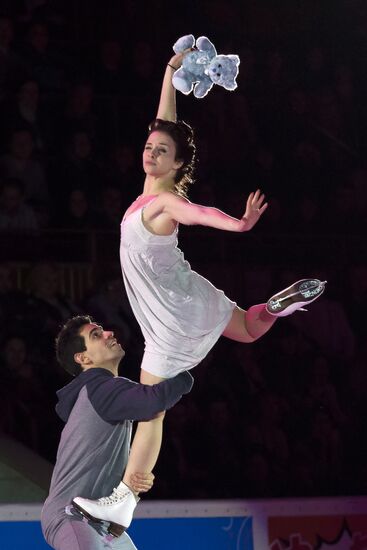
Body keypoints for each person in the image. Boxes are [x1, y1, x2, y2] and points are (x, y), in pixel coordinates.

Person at [73, 48, 326, 531]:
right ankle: (276, 305)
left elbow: (202, 214)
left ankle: (124, 498)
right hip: (195, 295)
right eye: (149, 147)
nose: (149, 152)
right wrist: (170, 72)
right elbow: (163, 121)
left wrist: (240, 225)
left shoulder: (165, 201)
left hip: (174, 319)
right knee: (250, 330)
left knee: (151, 412)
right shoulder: (154, 188)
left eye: (159, 152)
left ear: (174, 164)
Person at [40, 315, 193, 549]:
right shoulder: (98, 388)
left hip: (100, 521)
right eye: (96, 335)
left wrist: (135, 476)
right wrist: (184, 376)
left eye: (102, 330)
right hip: (71, 515)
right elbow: (155, 400)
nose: (109, 333)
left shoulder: (104, 391)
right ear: (83, 358)